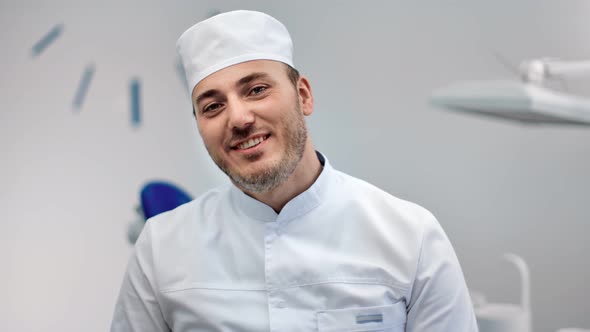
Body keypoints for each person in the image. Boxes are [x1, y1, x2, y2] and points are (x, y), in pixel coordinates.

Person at [110, 10, 478, 332]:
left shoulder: (411, 238)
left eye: (256, 89)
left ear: (303, 96)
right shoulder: (161, 249)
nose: (238, 118)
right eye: (212, 106)